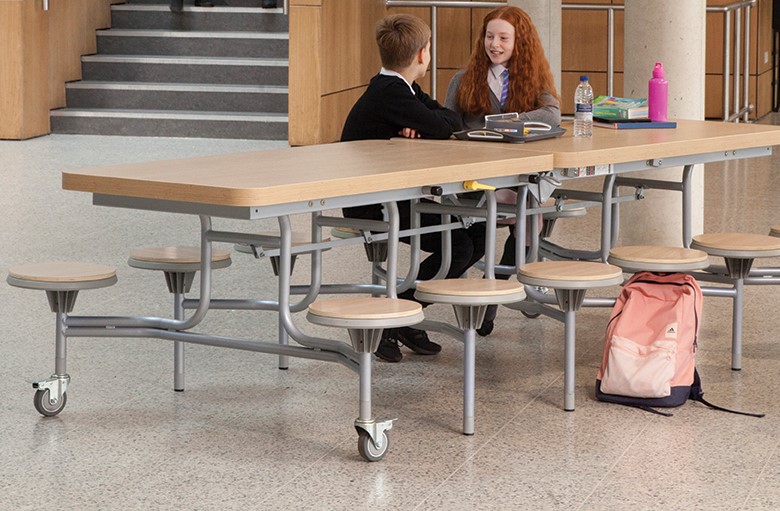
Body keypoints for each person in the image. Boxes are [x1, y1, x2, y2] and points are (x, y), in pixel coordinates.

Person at [341, 13, 486, 363]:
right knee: (464, 245)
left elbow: (447, 119)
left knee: (475, 237)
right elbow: (441, 124)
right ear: (422, 54)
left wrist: (424, 124)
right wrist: (427, 124)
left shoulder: (401, 88)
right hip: (374, 205)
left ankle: (400, 316)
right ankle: (398, 316)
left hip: (397, 197)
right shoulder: (391, 93)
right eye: (431, 48)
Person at [444, 5, 561, 336]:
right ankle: (492, 295)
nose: (495, 44)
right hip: (475, 179)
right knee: (528, 209)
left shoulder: (533, 78)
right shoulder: (463, 80)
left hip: (516, 177)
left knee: (530, 210)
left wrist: (505, 125)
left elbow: (552, 115)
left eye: (503, 38)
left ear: (519, 42)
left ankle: (494, 290)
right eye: (490, 36)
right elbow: (447, 124)